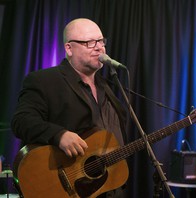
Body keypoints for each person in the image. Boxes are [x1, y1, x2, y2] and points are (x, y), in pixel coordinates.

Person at [11, 18, 128, 197]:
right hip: (66, 189)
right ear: (69, 48)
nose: (99, 47)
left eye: (101, 41)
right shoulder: (44, 81)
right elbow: (21, 121)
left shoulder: (107, 87)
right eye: (90, 43)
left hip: (106, 189)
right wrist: (58, 135)